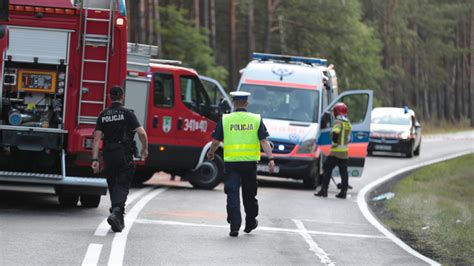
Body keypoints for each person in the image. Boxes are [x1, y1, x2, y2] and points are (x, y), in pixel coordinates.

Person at [207, 91, 275, 237]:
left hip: (232, 163)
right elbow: (263, 141)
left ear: (233, 103)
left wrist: (211, 153)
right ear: (247, 103)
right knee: (249, 193)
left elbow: (216, 141)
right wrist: (271, 159)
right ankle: (250, 222)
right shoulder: (256, 119)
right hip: (250, 163)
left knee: (232, 193)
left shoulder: (226, 119)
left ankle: (234, 226)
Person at [91, 86, 148, 232]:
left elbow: (96, 138)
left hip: (108, 155)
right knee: (122, 184)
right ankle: (116, 211)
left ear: (110, 97)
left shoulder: (103, 115)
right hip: (124, 154)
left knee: (113, 183)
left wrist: (95, 159)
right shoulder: (128, 113)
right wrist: (144, 149)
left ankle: (118, 218)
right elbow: (142, 133)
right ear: (122, 97)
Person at [315, 102, 352, 199]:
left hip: (335, 152)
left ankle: (324, 190)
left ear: (336, 112)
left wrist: (333, 141)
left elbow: (335, 134)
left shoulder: (338, 122)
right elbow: (348, 138)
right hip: (344, 152)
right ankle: (343, 192)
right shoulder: (347, 122)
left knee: (327, 169)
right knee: (344, 172)